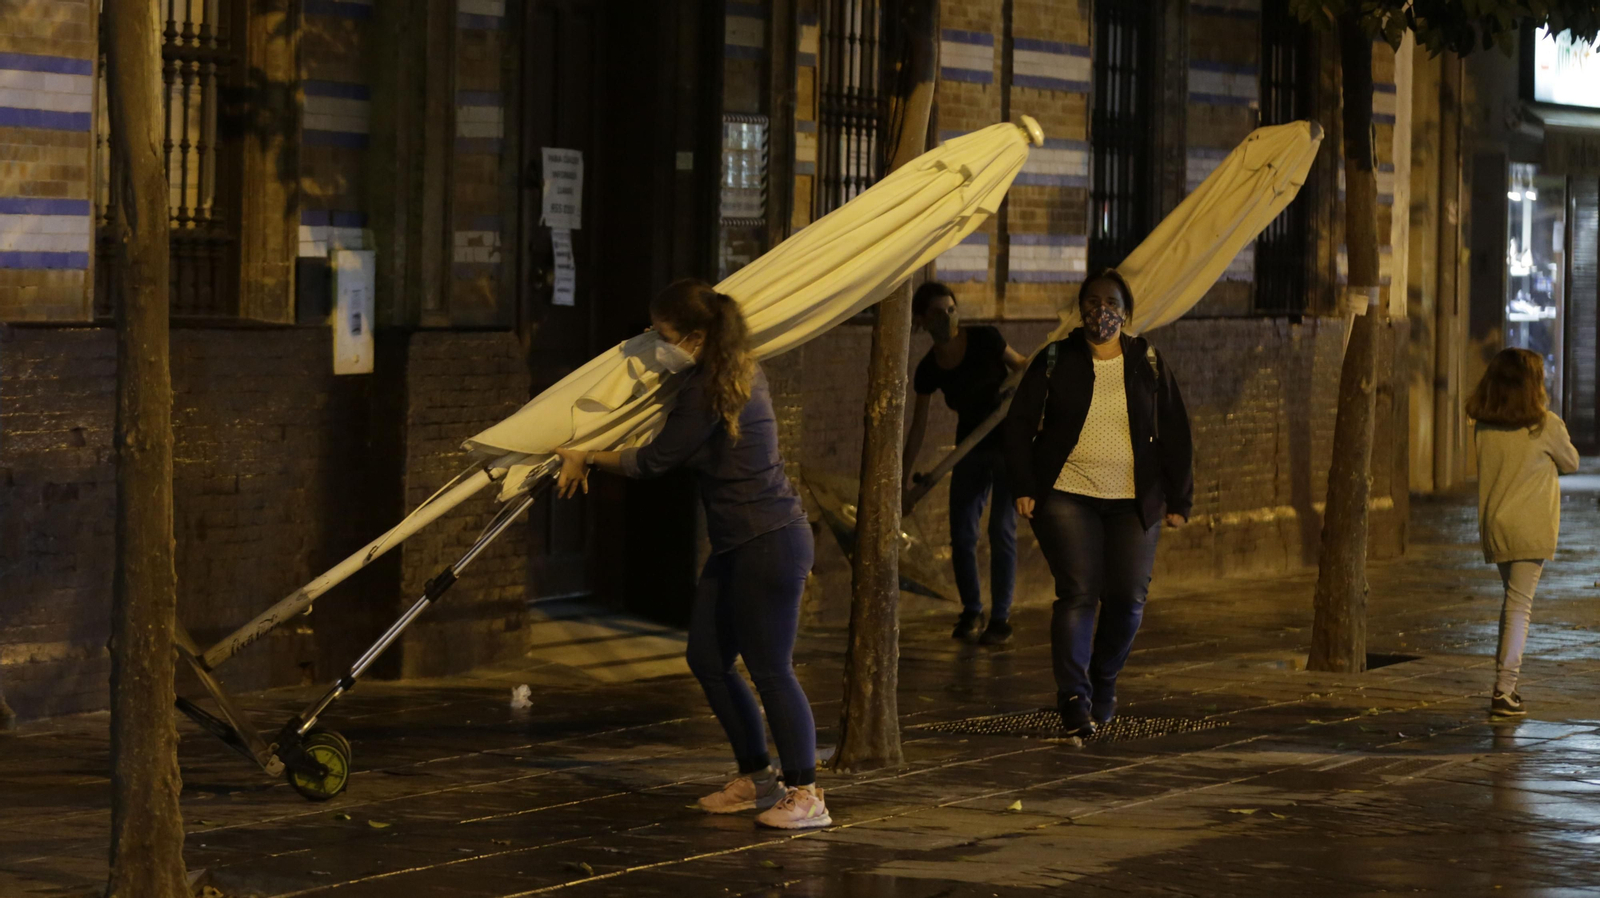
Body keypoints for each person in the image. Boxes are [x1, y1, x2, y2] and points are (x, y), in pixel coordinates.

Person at [551, 279, 830, 830]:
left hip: (768, 539)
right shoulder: (723, 373)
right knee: (707, 658)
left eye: (665, 334)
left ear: (697, 338)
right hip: (738, 541)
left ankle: (808, 793)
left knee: (772, 668)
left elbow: (656, 461)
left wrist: (584, 455)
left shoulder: (710, 389)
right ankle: (758, 777)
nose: (657, 342)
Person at [1002, 269, 1193, 737]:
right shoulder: (1055, 358)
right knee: (1079, 592)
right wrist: (1023, 486)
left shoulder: (1146, 359)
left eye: (1110, 302)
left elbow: (1175, 430)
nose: (1100, 311)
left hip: (1135, 502)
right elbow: (1018, 425)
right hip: (1067, 494)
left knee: (1128, 599)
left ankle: (1103, 680)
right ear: (1079, 309)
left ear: (1125, 312)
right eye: (1091, 301)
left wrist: (1179, 498)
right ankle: (1073, 696)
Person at [903, 282, 1029, 644]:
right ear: (922, 321)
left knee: (1001, 530)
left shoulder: (986, 339)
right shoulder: (929, 369)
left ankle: (1001, 618)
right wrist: (903, 486)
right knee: (962, 534)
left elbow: (1022, 365)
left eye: (951, 309)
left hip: (1008, 444)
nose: (947, 318)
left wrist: (1038, 373)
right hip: (969, 449)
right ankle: (972, 611)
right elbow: (918, 427)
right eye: (938, 313)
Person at [1465, 347, 1580, 718]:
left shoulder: (1484, 426)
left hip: (1496, 525)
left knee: (1512, 602)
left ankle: (1505, 685)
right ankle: (1505, 689)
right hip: (1530, 526)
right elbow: (1572, 462)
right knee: (1520, 606)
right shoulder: (1545, 425)